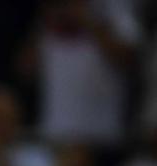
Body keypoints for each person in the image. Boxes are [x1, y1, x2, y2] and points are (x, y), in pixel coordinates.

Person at [25, 0, 142, 148]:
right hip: (55, 136)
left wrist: (89, 20)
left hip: (101, 137)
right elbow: (26, 70)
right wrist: (44, 21)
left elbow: (130, 60)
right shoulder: (52, 11)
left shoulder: (116, 6)